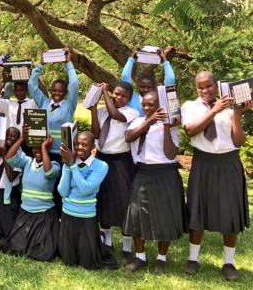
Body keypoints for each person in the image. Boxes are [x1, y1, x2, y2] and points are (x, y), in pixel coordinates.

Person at [181, 71, 252, 281]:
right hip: (203, 162)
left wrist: (237, 114)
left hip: (229, 163)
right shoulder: (190, 107)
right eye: (200, 87)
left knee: (230, 211)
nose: (204, 91)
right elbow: (191, 131)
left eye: (208, 86)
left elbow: (238, 142)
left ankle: (229, 262)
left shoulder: (230, 106)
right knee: (197, 208)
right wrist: (214, 110)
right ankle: (193, 258)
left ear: (217, 85)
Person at [123, 92, 185, 274]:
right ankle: (140, 256)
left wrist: (166, 127)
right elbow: (129, 138)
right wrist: (149, 121)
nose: (147, 108)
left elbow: (171, 153)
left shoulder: (172, 126)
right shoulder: (137, 122)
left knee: (164, 216)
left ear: (161, 106)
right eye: (144, 105)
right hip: (143, 172)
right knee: (137, 215)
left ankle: (161, 258)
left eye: (152, 105)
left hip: (165, 174)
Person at [89, 82, 140, 265]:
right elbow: (95, 134)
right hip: (101, 158)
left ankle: (127, 247)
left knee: (123, 202)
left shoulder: (131, 113)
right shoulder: (104, 111)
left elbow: (115, 115)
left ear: (129, 98)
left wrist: (105, 93)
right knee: (104, 199)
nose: (118, 98)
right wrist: (94, 110)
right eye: (116, 94)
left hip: (120, 161)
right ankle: (107, 241)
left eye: (122, 96)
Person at [58, 132, 119, 270]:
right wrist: (68, 166)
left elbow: (85, 189)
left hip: (86, 217)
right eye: (77, 144)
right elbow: (62, 192)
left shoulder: (101, 166)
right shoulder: (69, 163)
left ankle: (99, 238)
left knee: (88, 263)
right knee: (68, 261)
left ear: (93, 147)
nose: (79, 147)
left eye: (84, 145)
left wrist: (72, 165)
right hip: (68, 215)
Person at [28, 48, 78, 216]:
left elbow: (74, 85)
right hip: (46, 152)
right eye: (54, 90)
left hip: (63, 153)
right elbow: (31, 85)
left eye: (60, 91)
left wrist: (68, 64)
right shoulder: (44, 102)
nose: (57, 93)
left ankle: (61, 217)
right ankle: (48, 218)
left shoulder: (69, 107)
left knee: (61, 188)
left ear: (64, 93)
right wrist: (41, 64)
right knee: (47, 185)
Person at [0, 130, 60, 262]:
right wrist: (22, 138)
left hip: (43, 213)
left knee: (42, 251)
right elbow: (9, 157)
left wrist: (44, 147)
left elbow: (48, 173)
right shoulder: (27, 162)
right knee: (14, 247)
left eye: (41, 147)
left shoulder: (55, 165)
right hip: (26, 212)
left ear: (48, 148)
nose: (37, 150)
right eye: (35, 147)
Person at [0, 127, 24, 239]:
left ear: (18, 140)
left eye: (12, 136)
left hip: (10, 194)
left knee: (8, 230)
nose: (8, 137)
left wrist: (4, 154)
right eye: (7, 135)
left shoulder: (21, 155)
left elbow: (11, 176)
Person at [121, 47, 176, 116]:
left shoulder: (160, 100)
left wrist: (164, 58)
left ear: (154, 87)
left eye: (149, 87)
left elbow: (170, 78)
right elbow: (125, 76)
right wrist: (132, 57)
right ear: (137, 86)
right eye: (142, 87)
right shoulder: (131, 98)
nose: (145, 89)